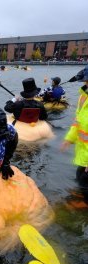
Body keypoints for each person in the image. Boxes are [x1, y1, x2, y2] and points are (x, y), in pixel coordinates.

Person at [61, 65, 88, 207]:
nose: (86, 84)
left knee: (84, 180)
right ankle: (81, 198)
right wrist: (69, 139)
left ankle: (84, 205)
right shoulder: (83, 97)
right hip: (83, 154)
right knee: (80, 177)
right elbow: (77, 121)